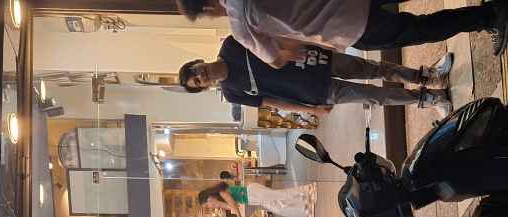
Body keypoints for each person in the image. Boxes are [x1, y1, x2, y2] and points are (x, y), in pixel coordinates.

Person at [175, 0, 508, 65]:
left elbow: (276, 59)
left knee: (420, 28)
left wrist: (286, 41)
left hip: (346, 26)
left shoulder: (240, 24)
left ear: (206, 8)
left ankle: (490, 15)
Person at [180, 40, 454, 115]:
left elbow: (276, 37)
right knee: (374, 96)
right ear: (204, 87)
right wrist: (311, 110)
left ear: (197, 62)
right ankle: (428, 98)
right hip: (316, 92)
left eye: (196, 71)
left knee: (373, 68)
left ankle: (427, 76)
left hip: (314, 59)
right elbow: (272, 102)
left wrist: (315, 42)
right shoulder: (232, 93)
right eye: (197, 81)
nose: (200, 75)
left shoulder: (231, 44)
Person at [198, 178, 317, 217]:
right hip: (253, 198)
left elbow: (233, 204)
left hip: (252, 193)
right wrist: (219, 204)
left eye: (207, 203)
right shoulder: (220, 199)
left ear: (208, 197)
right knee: (280, 205)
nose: (209, 206)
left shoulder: (221, 192)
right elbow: (232, 206)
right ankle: (306, 207)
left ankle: (308, 190)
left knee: (281, 197)